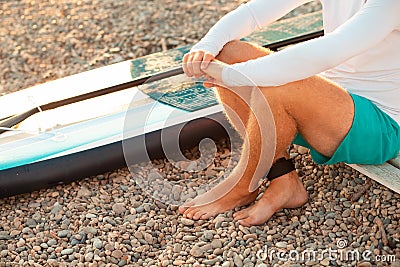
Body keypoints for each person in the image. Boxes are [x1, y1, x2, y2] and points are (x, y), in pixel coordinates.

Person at [179, 0, 400, 226]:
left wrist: (232, 75)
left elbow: (330, 50)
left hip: (379, 125)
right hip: (326, 104)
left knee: (281, 85)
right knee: (227, 52)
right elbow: (254, 12)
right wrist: (206, 47)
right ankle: (283, 178)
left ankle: (243, 184)